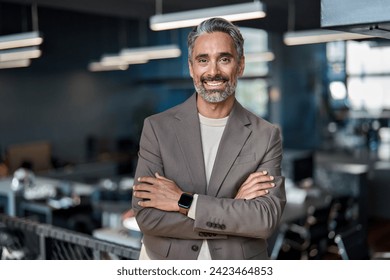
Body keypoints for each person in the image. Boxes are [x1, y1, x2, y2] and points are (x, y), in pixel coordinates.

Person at [132, 17, 286, 260]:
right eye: (203, 60)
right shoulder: (156, 128)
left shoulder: (266, 134)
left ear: (241, 65)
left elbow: (264, 220)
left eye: (224, 59)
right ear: (192, 67)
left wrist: (183, 202)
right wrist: (234, 213)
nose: (213, 71)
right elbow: (147, 216)